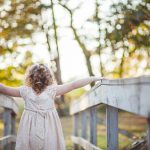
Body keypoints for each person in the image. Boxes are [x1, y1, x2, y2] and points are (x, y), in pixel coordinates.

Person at [0, 63, 104, 150]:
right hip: (49, 126)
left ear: (30, 77)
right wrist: (94, 78)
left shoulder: (25, 91)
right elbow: (73, 85)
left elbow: (4, 89)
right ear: (48, 77)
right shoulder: (52, 90)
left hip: (29, 127)